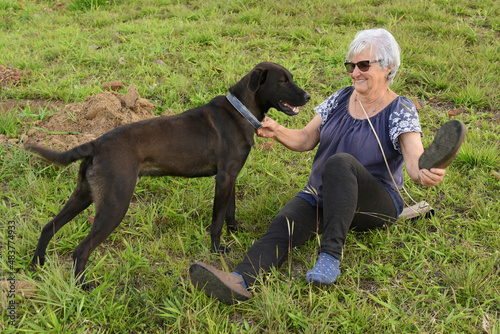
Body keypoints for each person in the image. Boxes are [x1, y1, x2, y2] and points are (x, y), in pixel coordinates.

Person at [189, 28, 465, 305]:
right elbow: (307, 138)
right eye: (351, 65)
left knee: (340, 162)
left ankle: (330, 256)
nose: (355, 72)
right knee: (282, 225)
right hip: (321, 195)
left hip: (374, 203)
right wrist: (278, 130)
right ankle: (238, 280)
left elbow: (415, 159)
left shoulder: (400, 109)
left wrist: (426, 172)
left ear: (388, 66)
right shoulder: (341, 98)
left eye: (364, 65)